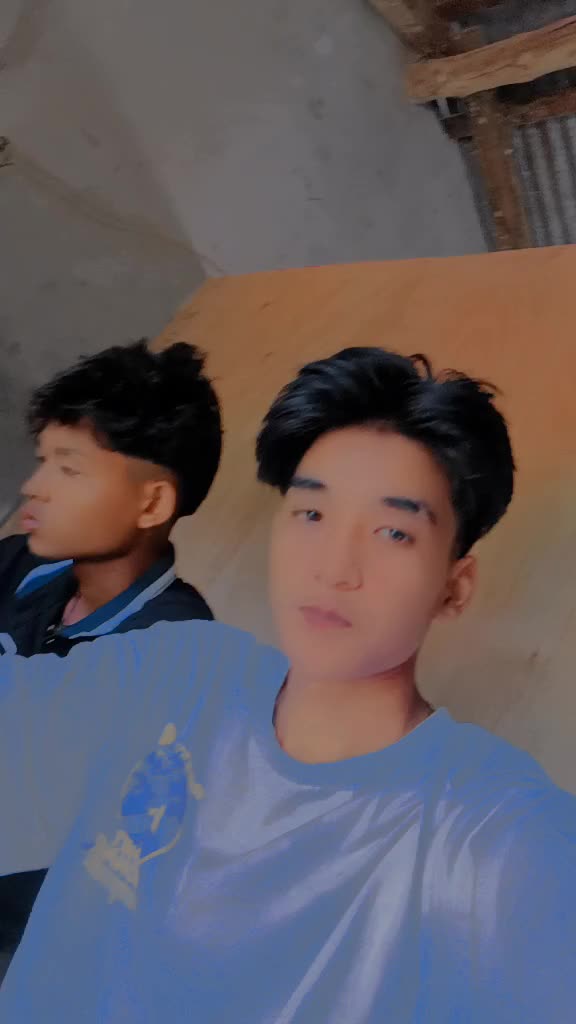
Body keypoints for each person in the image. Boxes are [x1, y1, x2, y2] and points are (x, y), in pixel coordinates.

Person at [0, 346, 574, 1022]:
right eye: (311, 514)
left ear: (455, 586)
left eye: (393, 532)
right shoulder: (176, 670)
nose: (334, 568)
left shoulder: (490, 835)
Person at [0, 339, 222, 979]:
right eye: (43, 462)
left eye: (68, 470)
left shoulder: (175, 657)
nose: (34, 486)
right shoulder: (23, 566)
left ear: (151, 504)